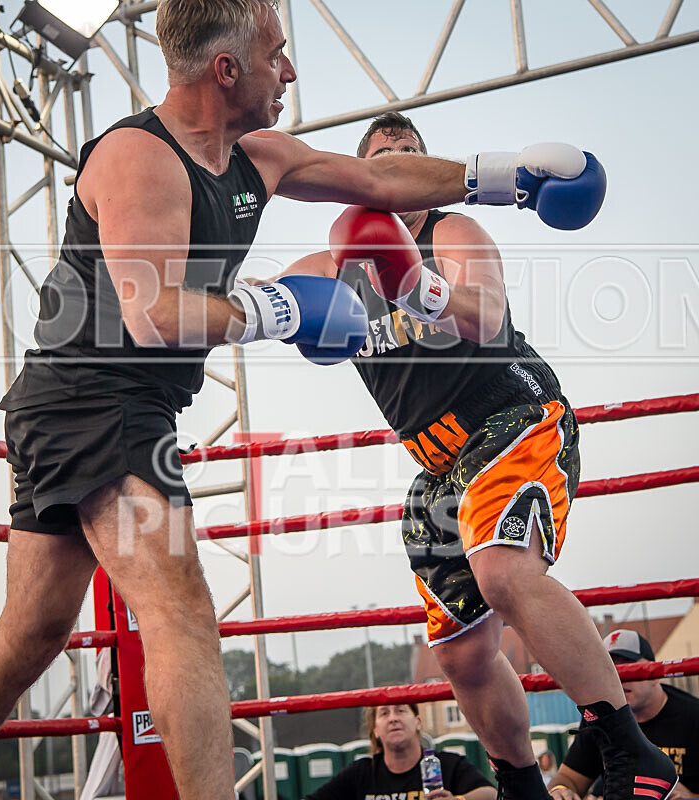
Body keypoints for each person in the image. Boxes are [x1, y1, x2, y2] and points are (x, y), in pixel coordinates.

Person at [0, 1, 608, 797]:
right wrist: (283, 309)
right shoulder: (140, 159)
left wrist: (502, 177)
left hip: (96, 408)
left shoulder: (257, 155)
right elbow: (154, 311)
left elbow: (375, 179)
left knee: (27, 635)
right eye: (277, 54)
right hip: (94, 400)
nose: (292, 71)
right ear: (227, 71)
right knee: (183, 616)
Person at [278, 112, 675, 800]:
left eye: (411, 155)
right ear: (363, 178)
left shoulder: (451, 232)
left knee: (501, 573)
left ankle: (632, 752)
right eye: (385, 158)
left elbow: (487, 316)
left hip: (510, 417)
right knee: (460, 653)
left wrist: (417, 286)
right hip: (436, 467)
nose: (400, 166)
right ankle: (521, 785)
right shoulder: (333, 266)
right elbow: (279, 305)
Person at [548, 630, 699, 800]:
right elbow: (569, 777)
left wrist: (691, 797)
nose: (619, 677)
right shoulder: (602, 718)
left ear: (654, 673)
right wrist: (561, 790)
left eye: (630, 667)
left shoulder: (693, 716)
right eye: (609, 669)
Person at [305, 703, 496, 800]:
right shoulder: (361, 773)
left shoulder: (447, 764)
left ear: (417, 722)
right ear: (375, 730)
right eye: (384, 713)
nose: (393, 718)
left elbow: (490, 794)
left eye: (400, 711)